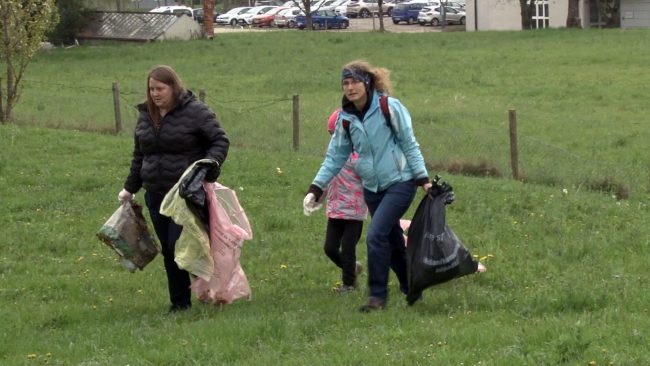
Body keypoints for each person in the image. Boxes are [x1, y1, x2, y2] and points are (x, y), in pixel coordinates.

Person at [303, 60, 433, 312]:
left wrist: (423, 179)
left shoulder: (389, 107)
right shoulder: (345, 119)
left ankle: (377, 297)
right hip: (372, 189)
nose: (350, 87)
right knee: (393, 242)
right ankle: (412, 290)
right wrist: (315, 188)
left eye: (354, 81)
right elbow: (335, 157)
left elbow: (409, 143)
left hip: (400, 182)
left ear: (367, 83)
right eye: (345, 83)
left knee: (375, 235)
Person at [118, 65, 229, 313]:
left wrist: (207, 166)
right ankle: (180, 303)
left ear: (173, 87)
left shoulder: (194, 111)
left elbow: (219, 140)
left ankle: (195, 295)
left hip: (184, 194)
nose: (155, 94)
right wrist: (129, 187)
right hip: (155, 194)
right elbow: (140, 154)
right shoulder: (146, 115)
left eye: (160, 88)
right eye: (151, 89)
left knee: (176, 246)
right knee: (170, 251)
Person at [308, 109, 368, 294]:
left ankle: (349, 285)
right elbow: (327, 177)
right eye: (331, 136)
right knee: (330, 248)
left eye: (336, 135)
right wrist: (316, 196)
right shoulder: (332, 156)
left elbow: (370, 179)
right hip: (335, 209)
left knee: (348, 248)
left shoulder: (360, 155)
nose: (335, 140)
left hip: (354, 211)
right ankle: (352, 268)